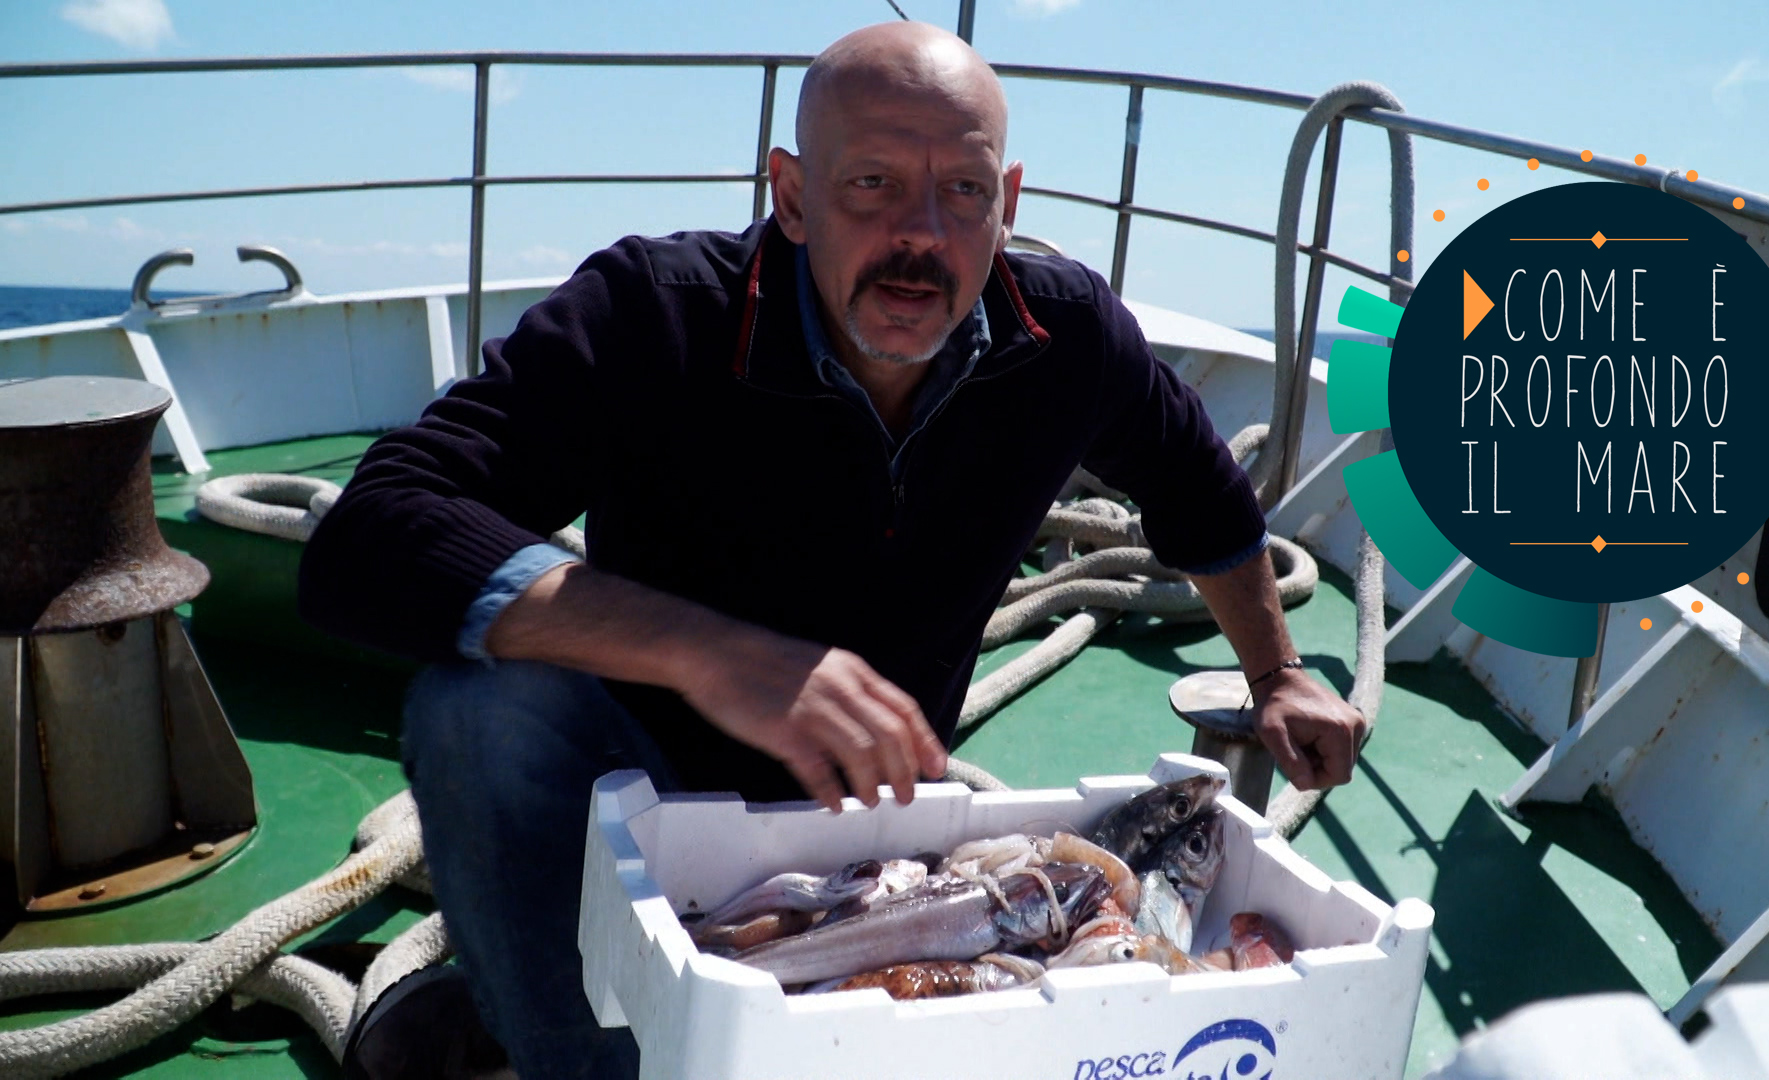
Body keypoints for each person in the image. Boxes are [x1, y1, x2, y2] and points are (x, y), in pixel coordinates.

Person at [300, 20, 1367, 1079]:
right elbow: (374, 530)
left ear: (1008, 205)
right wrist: (716, 657)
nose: (922, 235)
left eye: (963, 191)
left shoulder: (1067, 339)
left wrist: (1277, 673)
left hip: (877, 821)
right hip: (637, 800)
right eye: (872, 184)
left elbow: (1198, 488)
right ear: (794, 195)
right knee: (480, 711)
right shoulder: (653, 316)